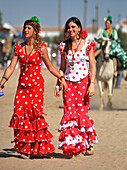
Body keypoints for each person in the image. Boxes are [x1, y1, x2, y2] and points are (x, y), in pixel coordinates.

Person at [0, 16, 67, 158]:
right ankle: (25, 147)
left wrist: (61, 78)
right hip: (22, 87)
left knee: (34, 115)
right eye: (25, 27)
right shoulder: (18, 47)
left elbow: (49, 66)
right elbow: (11, 67)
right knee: (20, 114)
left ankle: (36, 147)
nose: (25, 30)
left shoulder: (42, 48)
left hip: (36, 86)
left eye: (28, 28)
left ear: (35, 31)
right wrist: (3, 82)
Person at [54, 17, 97, 158]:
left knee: (81, 112)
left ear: (79, 28)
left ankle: (86, 143)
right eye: (69, 27)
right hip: (68, 83)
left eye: (73, 27)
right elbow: (62, 67)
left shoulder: (87, 45)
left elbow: (92, 66)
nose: (71, 30)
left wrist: (92, 84)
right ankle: (73, 146)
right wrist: (58, 84)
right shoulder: (63, 46)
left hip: (83, 82)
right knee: (69, 112)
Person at [95, 16, 127, 87]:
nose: (106, 25)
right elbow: (98, 39)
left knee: (117, 60)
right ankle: (95, 72)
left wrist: (109, 41)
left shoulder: (114, 32)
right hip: (103, 48)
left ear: (111, 24)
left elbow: (115, 40)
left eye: (108, 23)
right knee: (95, 56)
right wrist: (102, 41)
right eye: (106, 23)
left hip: (112, 49)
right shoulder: (102, 31)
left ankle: (116, 71)